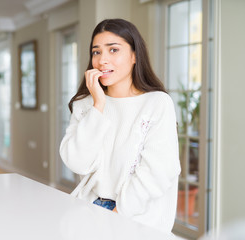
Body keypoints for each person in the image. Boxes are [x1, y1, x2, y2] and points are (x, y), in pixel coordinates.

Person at [59, 18, 181, 234]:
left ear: (135, 55)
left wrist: (117, 213)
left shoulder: (157, 103)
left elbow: (159, 171)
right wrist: (98, 105)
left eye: (113, 50)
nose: (102, 60)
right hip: (90, 211)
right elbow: (77, 163)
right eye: (96, 52)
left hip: (137, 219)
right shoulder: (85, 105)